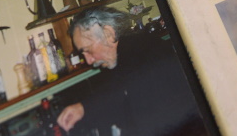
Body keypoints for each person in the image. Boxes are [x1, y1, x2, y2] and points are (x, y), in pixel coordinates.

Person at [55, 7, 208, 135]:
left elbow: (123, 85)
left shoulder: (142, 52)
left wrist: (84, 108)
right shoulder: (131, 51)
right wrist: (83, 108)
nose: (89, 61)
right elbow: (116, 89)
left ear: (108, 34)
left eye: (87, 50)